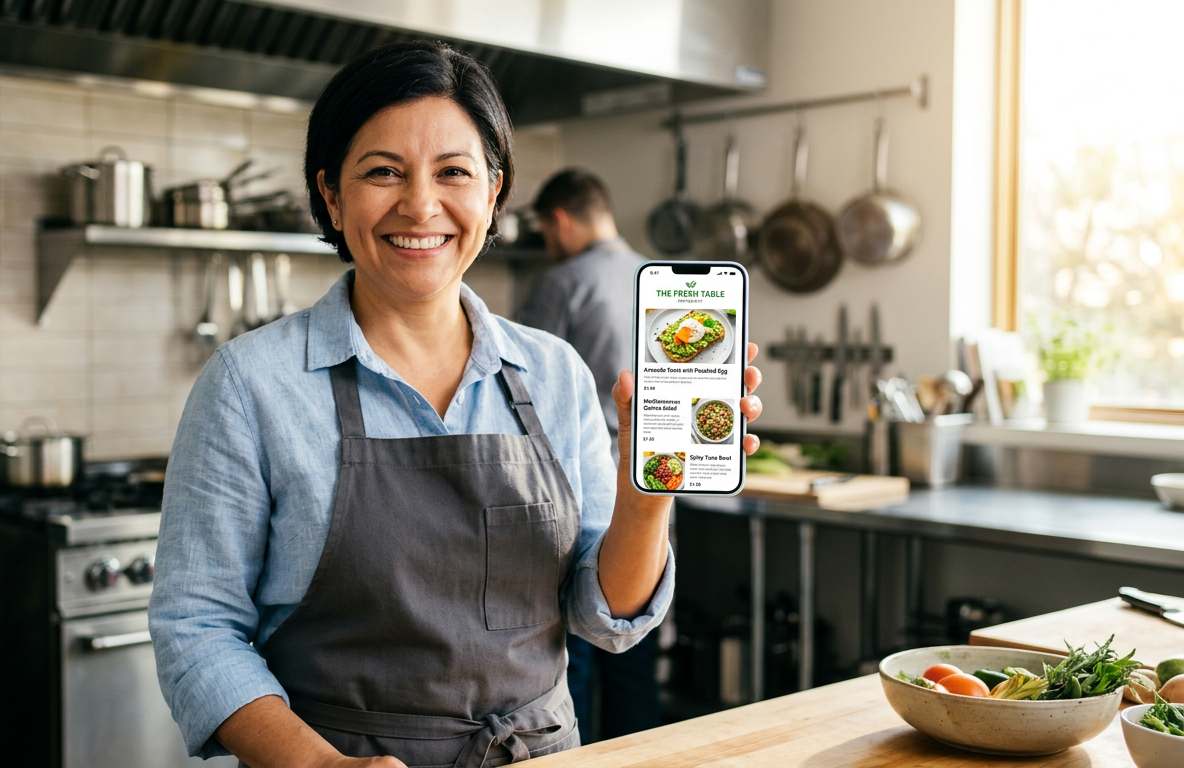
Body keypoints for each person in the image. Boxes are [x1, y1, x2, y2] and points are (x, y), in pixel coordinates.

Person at [149, 41, 764, 768]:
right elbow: (197, 627)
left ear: (494, 194)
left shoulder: (554, 372)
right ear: (332, 194)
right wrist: (318, 766)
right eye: (383, 172)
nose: (420, 206)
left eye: (453, 173)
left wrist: (646, 491)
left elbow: (606, 617)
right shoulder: (250, 384)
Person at [517, 170, 658, 741]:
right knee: (636, 633)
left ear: (561, 221)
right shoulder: (651, 275)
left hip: (577, 476)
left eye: (546, 234)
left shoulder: (562, 282)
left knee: (577, 649)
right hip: (655, 479)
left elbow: (520, 389)